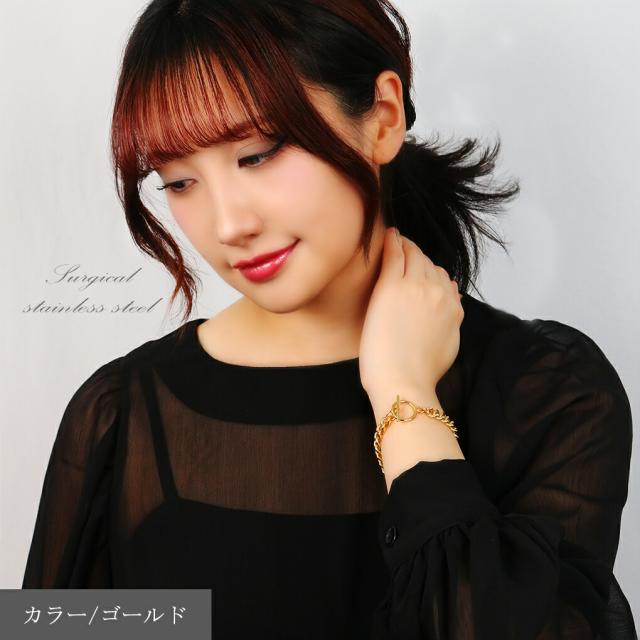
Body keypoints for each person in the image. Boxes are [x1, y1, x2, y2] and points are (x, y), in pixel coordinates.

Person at [22, 1, 637, 638]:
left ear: (383, 118)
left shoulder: (549, 393)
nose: (228, 225)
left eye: (257, 154)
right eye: (178, 181)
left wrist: (403, 395)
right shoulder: (118, 418)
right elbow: (56, 628)